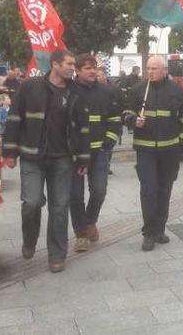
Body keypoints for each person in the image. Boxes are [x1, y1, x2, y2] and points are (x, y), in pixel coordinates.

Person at [2, 49, 90, 273]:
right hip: (32, 157)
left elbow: (83, 129)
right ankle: (29, 239)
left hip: (62, 160)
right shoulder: (30, 87)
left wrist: (83, 159)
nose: (72, 67)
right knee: (32, 203)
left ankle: (57, 255)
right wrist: (9, 152)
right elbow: (14, 118)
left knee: (60, 208)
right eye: (69, 64)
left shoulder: (76, 92)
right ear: (55, 65)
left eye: (73, 64)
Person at [123, 55, 183, 251]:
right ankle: (148, 233)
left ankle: (159, 229)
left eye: (154, 68)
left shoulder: (177, 91)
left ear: (164, 70)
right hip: (145, 150)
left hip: (169, 150)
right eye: (148, 68)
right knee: (149, 190)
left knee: (164, 190)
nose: (150, 72)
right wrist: (132, 120)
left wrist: (182, 143)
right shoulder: (138, 90)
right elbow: (126, 112)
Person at [69, 54, 122, 253]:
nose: (92, 71)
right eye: (87, 68)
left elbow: (115, 117)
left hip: (99, 150)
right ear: (77, 70)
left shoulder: (106, 92)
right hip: (74, 153)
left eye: (94, 67)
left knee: (99, 190)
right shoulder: (69, 91)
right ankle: (81, 234)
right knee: (75, 196)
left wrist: (110, 137)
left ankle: (90, 220)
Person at [98, 66, 123, 176]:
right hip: (98, 126)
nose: (96, 78)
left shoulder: (114, 89)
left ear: (104, 76)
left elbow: (122, 104)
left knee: (108, 145)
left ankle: (106, 165)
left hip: (112, 123)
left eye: (98, 75)